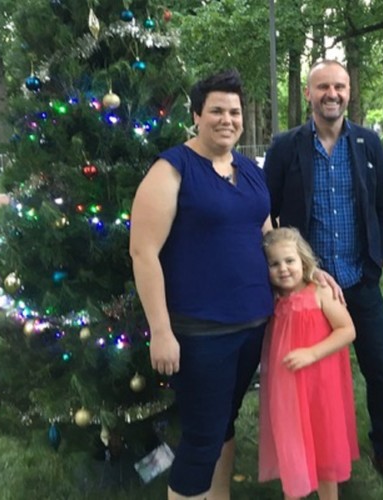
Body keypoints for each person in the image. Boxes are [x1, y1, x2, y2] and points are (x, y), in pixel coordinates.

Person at [130, 70, 341, 500]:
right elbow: (143, 252)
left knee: (225, 422)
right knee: (202, 436)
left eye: (234, 111)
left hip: (252, 325)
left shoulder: (247, 169)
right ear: (196, 115)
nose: (227, 119)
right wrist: (162, 331)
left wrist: (306, 269)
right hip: (200, 330)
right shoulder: (172, 169)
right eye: (217, 111)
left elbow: (267, 234)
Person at [264, 59, 383, 480]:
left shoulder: (367, 142)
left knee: (379, 368)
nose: (332, 94)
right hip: (308, 290)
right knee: (312, 376)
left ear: (349, 91)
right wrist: (297, 269)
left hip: (360, 279)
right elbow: (265, 210)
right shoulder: (286, 146)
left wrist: (376, 260)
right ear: (308, 93)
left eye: (339, 86)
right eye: (323, 86)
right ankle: (310, 452)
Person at [258, 228, 359, 499]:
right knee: (291, 442)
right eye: (274, 264)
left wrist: (312, 354)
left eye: (289, 261)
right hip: (287, 385)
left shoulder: (321, 292)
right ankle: (295, 491)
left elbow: (347, 330)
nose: (283, 269)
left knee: (325, 443)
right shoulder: (273, 299)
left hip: (321, 384)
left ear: (303, 260)